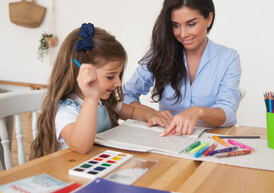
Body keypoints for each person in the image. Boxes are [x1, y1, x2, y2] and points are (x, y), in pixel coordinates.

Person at [30, 23, 170, 159]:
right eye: (110, 76)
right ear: (83, 73)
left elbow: (132, 112)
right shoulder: (66, 111)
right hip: (71, 175)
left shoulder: (105, 103)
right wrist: (91, 98)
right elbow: (81, 146)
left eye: (119, 75)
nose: (118, 83)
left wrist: (150, 116)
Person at [123, 0, 241, 137]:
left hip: (208, 142)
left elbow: (229, 113)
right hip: (168, 140)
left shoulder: (228, 58)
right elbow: (126, 96)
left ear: (209, 18)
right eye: (175, 25)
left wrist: (197, 111)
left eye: (191, 24)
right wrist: (149, 114)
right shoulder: (160, 53)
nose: (183, 34)